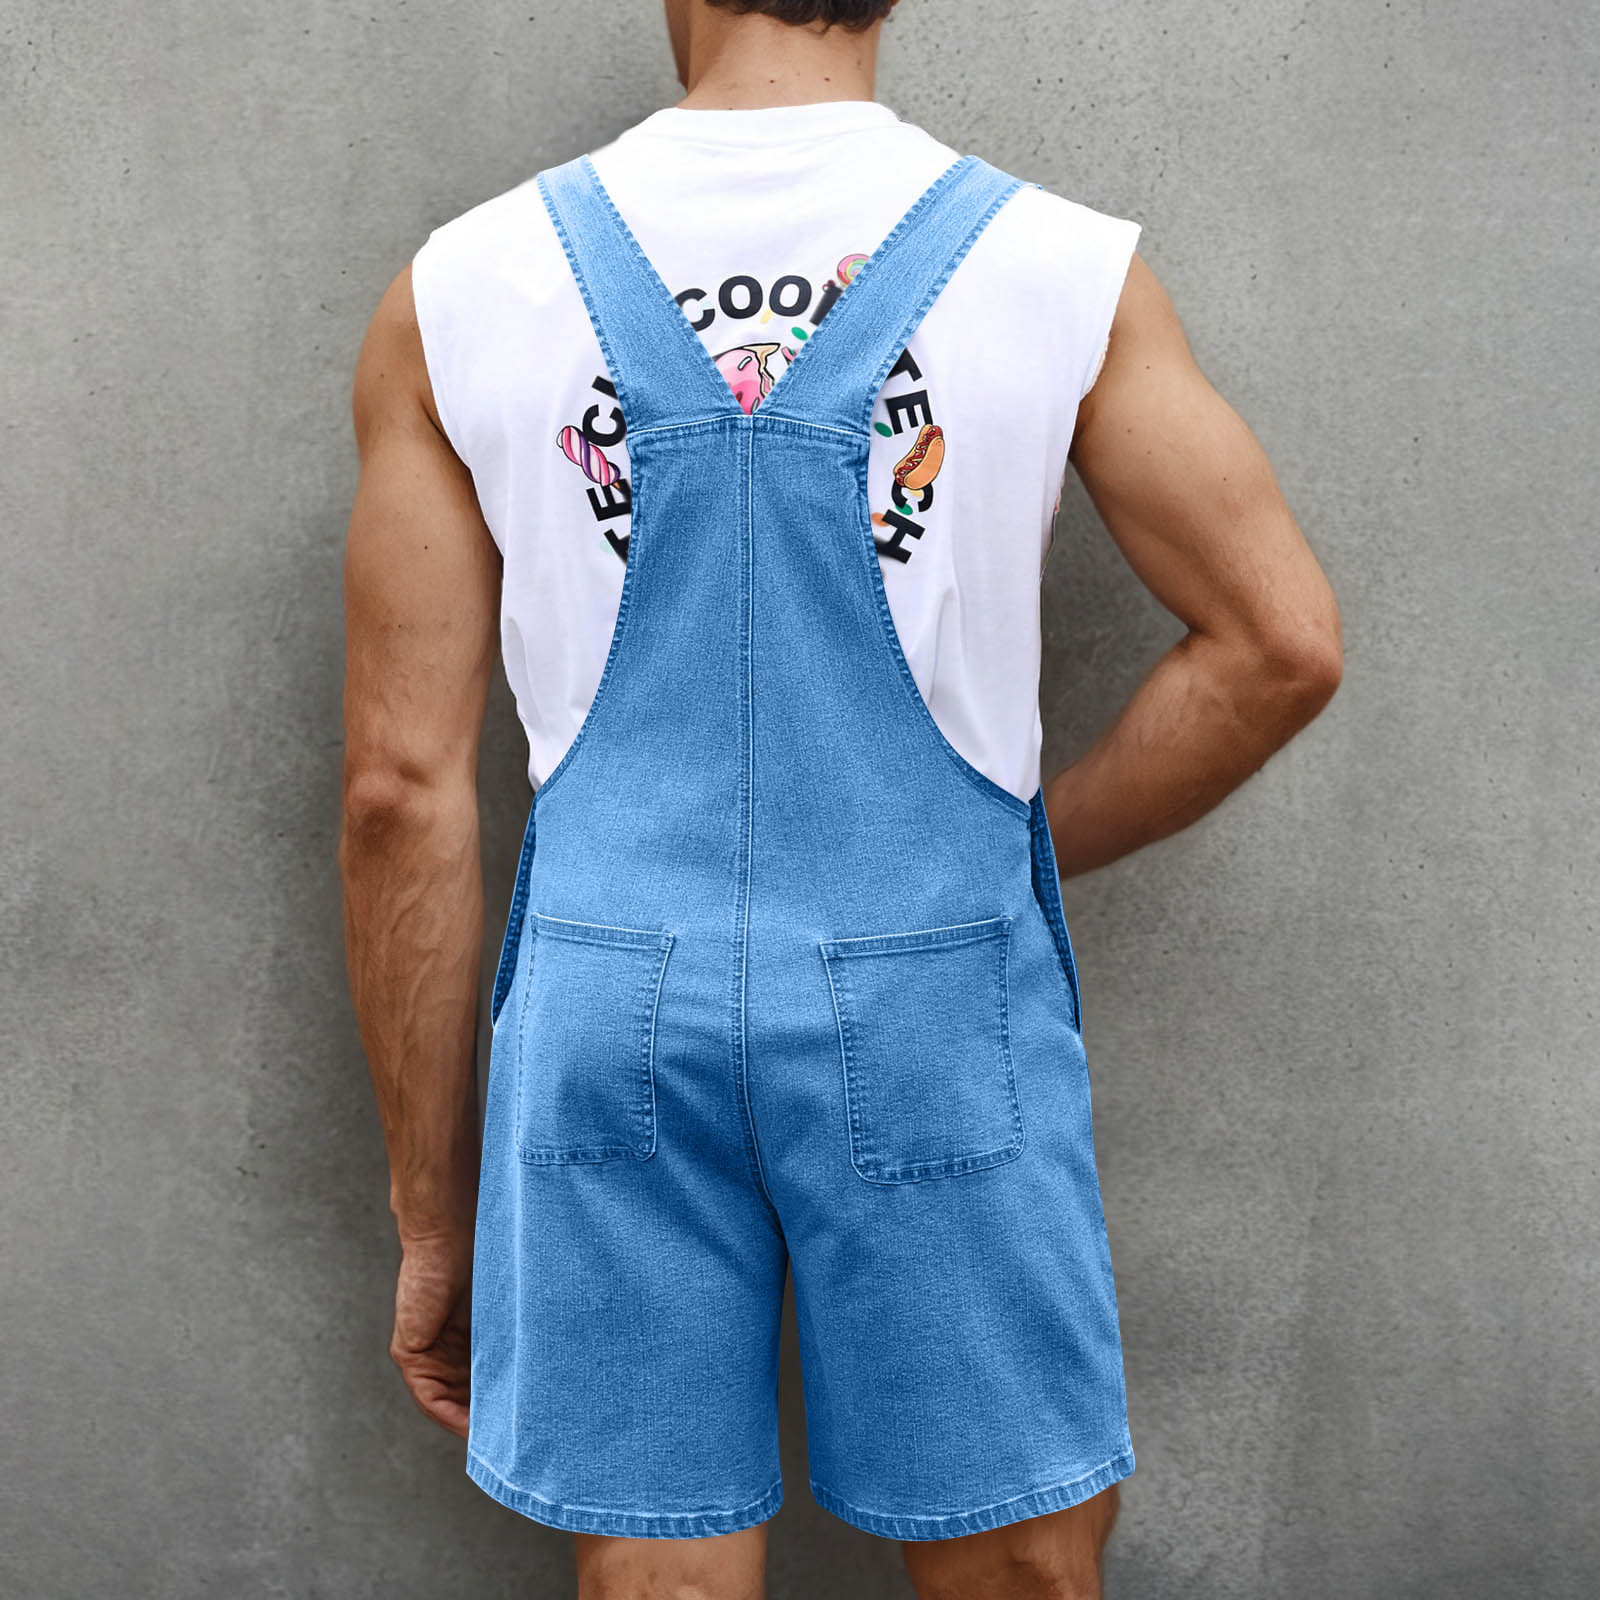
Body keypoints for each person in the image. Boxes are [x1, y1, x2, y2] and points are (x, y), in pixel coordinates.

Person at [339, 1, 1342, 1595]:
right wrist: (1015, 856)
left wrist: (432, 1216)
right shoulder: (1055, 265)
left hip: (609, 1011)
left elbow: (400, 792)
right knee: (1017, 1556)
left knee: (661, 1568)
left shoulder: (464, 286)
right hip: (934, 993)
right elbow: (1279, 645)